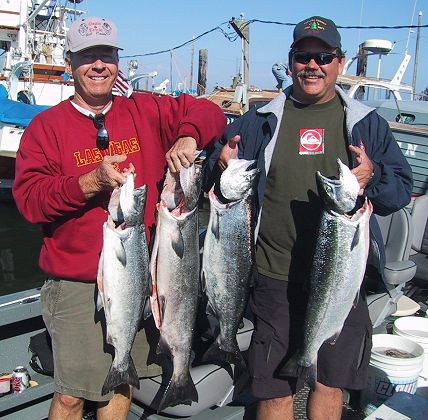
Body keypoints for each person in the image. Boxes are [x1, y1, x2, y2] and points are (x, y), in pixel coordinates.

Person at [13, 16, 226, 420]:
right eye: (88, 57)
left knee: (122, 383)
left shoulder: (145, 109)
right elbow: (29, 201)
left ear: (117, 62)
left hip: (140, 277)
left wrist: (189, 134)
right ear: (70, 61)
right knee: (73, 394)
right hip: (75, 282)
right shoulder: (45, 128)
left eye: (107, 56)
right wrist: (89, 181)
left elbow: (207, 111)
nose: (98, 65)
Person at [204, 15, 413, 420]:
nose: (312, 65)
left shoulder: (367, 124)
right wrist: (218, 162)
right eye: (304, 56)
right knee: (273, 389)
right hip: (272, 276)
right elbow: (216, 164)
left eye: (323, 56)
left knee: (328, 383)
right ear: (291, 60)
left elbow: (400, 191)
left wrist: (371, 179)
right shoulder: (259, 120)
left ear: (340, 62)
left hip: (341, 280)